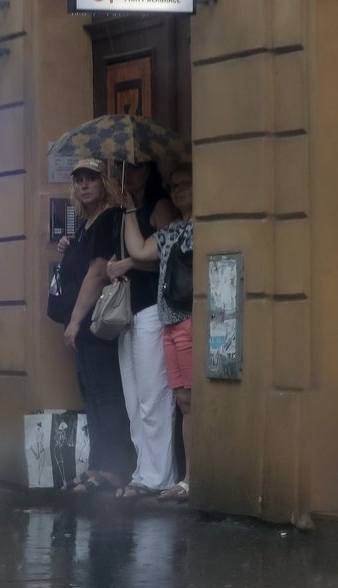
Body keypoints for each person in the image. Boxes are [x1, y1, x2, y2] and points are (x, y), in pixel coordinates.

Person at [57, 158, 135, 493]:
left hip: (98, 322)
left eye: (91, 179)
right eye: (79, 180)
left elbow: (98, 272)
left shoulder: (109, 218)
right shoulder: (87, 224)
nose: (84, 185)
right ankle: (99, 464)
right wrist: (68, 246)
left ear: (104, 182)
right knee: (91, 392)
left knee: (106, 393)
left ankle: (116, 467)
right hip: (85, 322)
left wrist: (75, 321)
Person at [106, 161, 180, 499]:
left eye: (135, 167)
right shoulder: (124, 208)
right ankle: (142, 470)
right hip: (129, 309)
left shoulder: (159, 205)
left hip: (152, 307)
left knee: (154, 395)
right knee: (134, 398)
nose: (128, 173)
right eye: (122, 167)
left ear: (150, 170)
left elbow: (168, 254)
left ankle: (159, 474)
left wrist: (131, 263)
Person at [122, 164, 194, 500]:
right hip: (170, 319)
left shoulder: (198, 226)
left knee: (179, 399)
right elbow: (138, 249)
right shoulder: (175, 229)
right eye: (175, 185)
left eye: (185, 185)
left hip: (187, 317)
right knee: (180, 398)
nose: (178, 191)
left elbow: (138, 259)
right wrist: (128, 208)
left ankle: (181, 476)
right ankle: (179, 477)